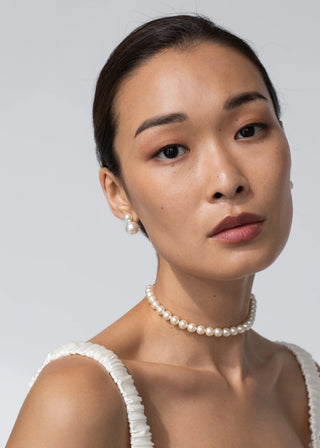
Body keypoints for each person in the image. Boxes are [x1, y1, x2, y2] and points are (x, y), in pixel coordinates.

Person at [6, 14, 320, 448]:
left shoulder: (303, 386)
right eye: (171, 150)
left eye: (249, 130)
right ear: (118, 194)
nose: (227, 180)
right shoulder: (81, 396)